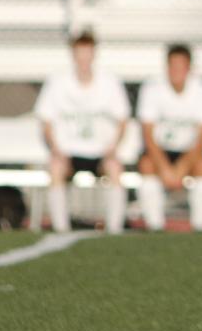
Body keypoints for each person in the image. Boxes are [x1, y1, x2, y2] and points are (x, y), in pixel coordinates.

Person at [35, 29, 132, 234]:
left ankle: (115, 229)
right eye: (80, 52)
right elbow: (46, 121)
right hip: (68, 152)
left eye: (87, 52)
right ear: (73, 54)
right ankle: (61, 229)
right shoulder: (57, 82)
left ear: (94, 53)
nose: (84, 58)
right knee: (55, 168)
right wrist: (56, 149)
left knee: (115, 167)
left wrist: (113, 148)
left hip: (100, 153)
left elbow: (123, 120)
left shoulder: (109, 82)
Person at [135, 43, 202, 232]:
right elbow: (148, 134)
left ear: (189, 68)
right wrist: (165, 168)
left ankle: (200, 227)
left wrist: (181, 168)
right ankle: (155, 226)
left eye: (181, 66)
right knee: (146, 165)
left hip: (189, 152)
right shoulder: (152, 89)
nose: (176, 71)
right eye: (172, 66)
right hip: (160, 150)